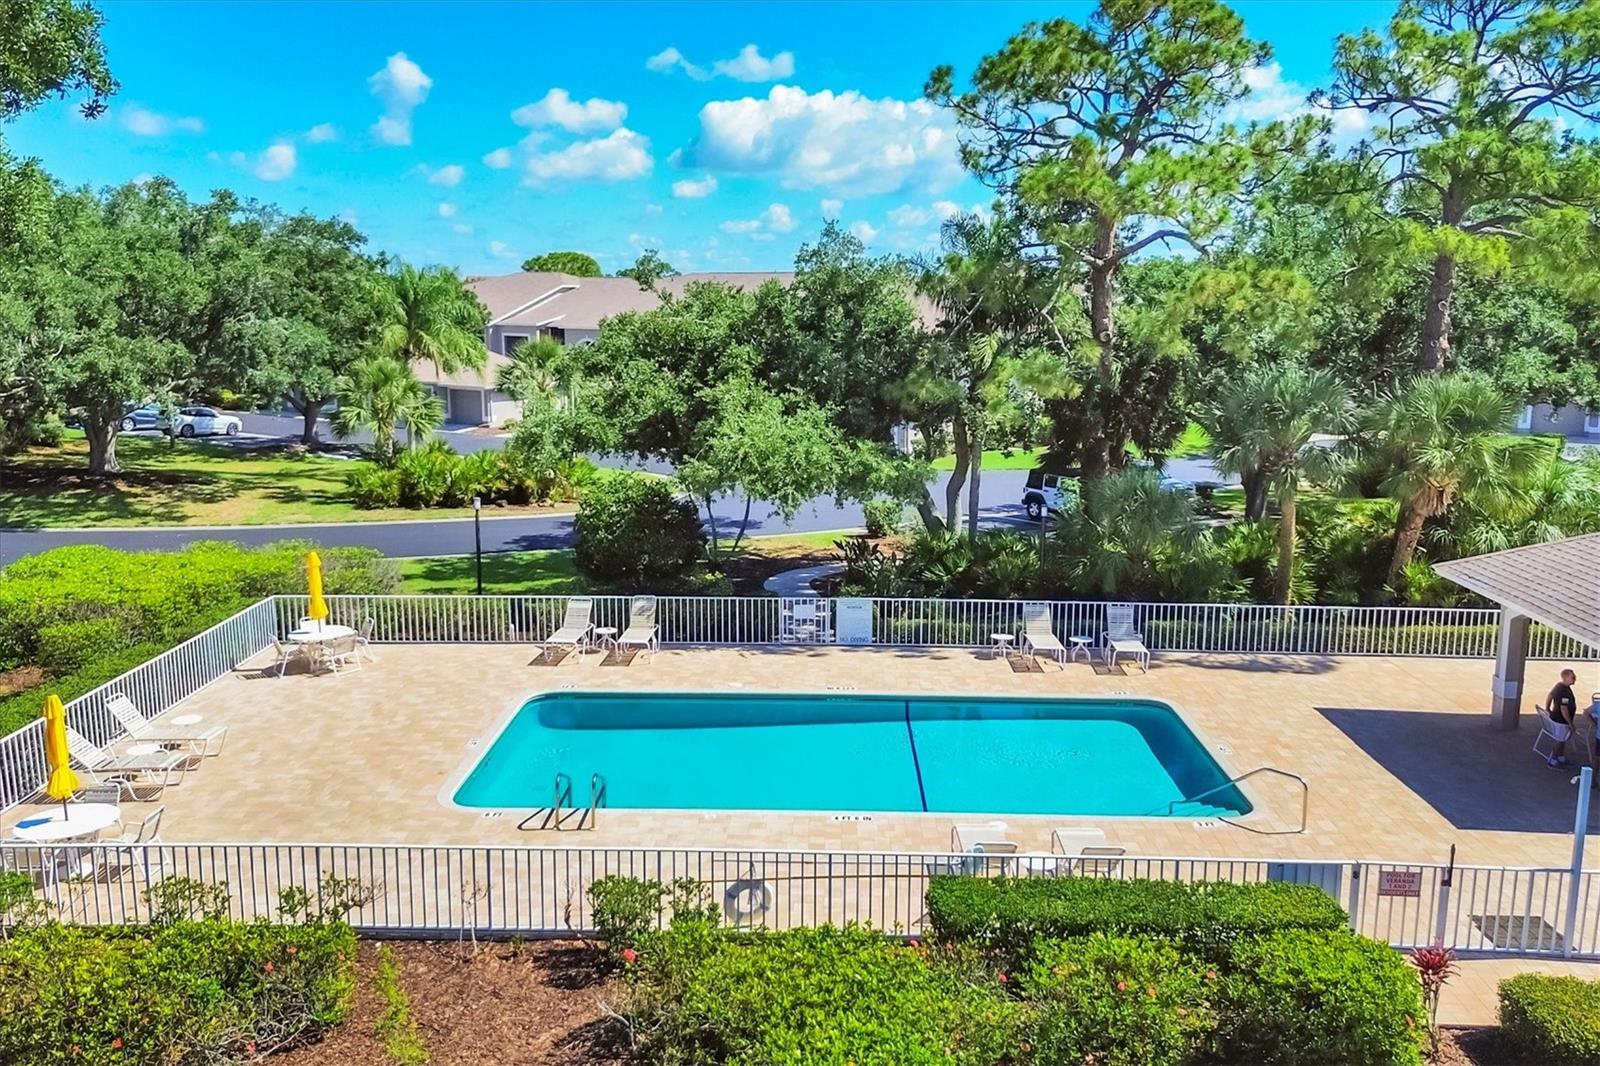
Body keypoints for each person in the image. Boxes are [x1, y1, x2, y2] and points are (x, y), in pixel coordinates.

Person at [1543, 669, 1581, 768]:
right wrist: (1570, 723)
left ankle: (1560, 758)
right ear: (1565, 677)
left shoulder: (1559, 686)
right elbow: (1564, 709)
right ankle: (1553, 761)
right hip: (1561, 721)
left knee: (1563, 740)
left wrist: (1547, 708)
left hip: (1558, 719)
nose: (1575, 679)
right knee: (1559, 741)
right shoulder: (1563, 691)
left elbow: (1550, 696)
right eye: (1573, 677)